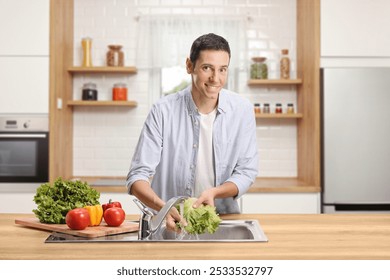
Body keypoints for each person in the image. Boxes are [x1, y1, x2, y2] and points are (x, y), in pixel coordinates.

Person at [126, 33, 258, 231]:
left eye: (222, 69)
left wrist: (215, 192)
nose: (216, 78)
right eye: (207, 68)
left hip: (221, 220)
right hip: (170, 222)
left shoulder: (242, 110)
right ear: (190, 66)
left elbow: (246, 172)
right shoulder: (163, 111)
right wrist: (164, 208)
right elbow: (137, 176)